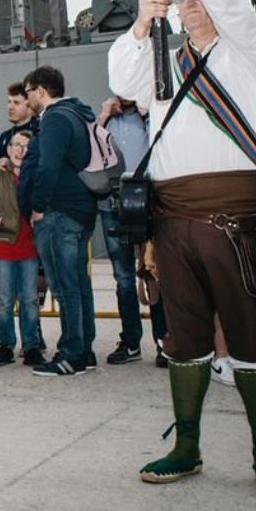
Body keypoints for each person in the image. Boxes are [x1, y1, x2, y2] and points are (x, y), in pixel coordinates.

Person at [110, 0, 256, 497]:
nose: (188, 2)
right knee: (184, 336)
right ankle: (186, 445)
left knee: (249, 332)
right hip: (172, 217)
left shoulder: (252, 47)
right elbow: (122, 81)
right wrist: (142, 25)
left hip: (236, 213)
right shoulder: (168, 62)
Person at [22, 65, 99, 378]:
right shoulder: (78, 114)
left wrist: (38, 206)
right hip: (81, 210)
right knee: (79, 285)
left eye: (28, 94)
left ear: (41, 90)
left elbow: (48, 167)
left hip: (59, 213)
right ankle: (85, 350)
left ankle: (70, 354)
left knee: (65, 287)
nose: (27, 101)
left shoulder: (54, 117)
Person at [97, 96, 158, 365]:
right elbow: (88, 150)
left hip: (148, 199)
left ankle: (164, 341)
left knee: (155, 273)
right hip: (113, 203)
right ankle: (131, 341)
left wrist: (148, 114)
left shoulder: (150, 116)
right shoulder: (105, 120)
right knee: (123, 277)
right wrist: (103, 115)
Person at [0, 130, 42, 366]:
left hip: (30, 248)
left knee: (30, 300)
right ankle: (6, 345)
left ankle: (31, 346)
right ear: (8, 148)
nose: (19, 150)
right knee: (4, 300)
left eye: (25, 146)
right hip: (3, 247)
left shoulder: (36, 176)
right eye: (15, 145)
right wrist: (0, 219)